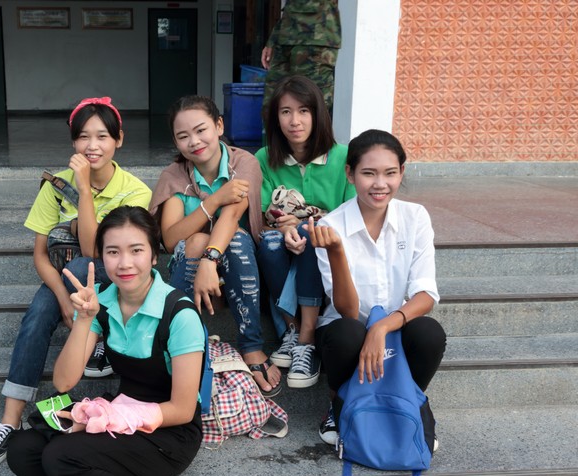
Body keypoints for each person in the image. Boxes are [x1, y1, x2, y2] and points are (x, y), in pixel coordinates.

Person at [0, 97, 152, 469]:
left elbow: (92, 250)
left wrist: (84, 190)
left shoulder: (135, 191)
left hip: (114, 281)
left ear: (119, 139)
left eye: (102, 136)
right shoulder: (55, 184)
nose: (92, 145)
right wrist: (61, 298)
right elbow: (40, 254)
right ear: (73, 141)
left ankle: (100, 335)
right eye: (83, 136)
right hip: (69, 284)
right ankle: (10, 420)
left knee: (86, 262)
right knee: (39, 313)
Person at [7, 206, 205, 476]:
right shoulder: (101, 301)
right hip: (120, 413)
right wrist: (84, 320)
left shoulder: (178, 314)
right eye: (113, 252)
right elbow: (64, 381)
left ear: (154, 256)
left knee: (60, 456)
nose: (124, 263)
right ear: (102, 257)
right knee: (22, 449)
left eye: (136, 250)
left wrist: (111, 418)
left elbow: (183, 409)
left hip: (168, 433)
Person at [309, 129, 446, 446]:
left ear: (402, 172)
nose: (380, 184)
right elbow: (347, 310)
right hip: (348, 328)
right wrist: (337, 251)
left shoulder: (415, 217)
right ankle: (339, 403)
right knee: (346, 332)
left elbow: (426, 294)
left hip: (394, 324)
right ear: (350, 174)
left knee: (429, 333)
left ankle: (409, 400)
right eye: (368, 173)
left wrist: (382, 327)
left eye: (390, 173)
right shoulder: (332, 226)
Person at [149, 95, 282, 398]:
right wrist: (214, 201)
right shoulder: (174, 176)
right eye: (183, 136)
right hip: (189, 266)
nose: (194, 141)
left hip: (239, 265)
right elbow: (170, 239)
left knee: (231, 237)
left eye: (201, 130)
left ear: (219, 126)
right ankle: (180, 339)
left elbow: (232, 217)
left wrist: (210, 260)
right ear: (175, 141)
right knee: (195, 239)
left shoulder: (243, 163)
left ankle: (251, 345)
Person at [255, 75, 354, 389]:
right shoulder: (264, 159)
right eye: (285, 112)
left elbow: (353, 216)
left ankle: (306, 336)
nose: (294, 121)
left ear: (318, 114)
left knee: (312, 233)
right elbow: (261, 216)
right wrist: (282, 227)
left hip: (329, 250)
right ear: (276, 118)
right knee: (271, 242)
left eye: (303, 111)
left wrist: (302, 227)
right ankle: (293, 328)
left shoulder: (343, 158)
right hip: (282, 249)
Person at [260, 0, 341, 119]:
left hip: (316, 35)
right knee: (272, 104)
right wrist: (273, 39)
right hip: (286, 34)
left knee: (310, 106)